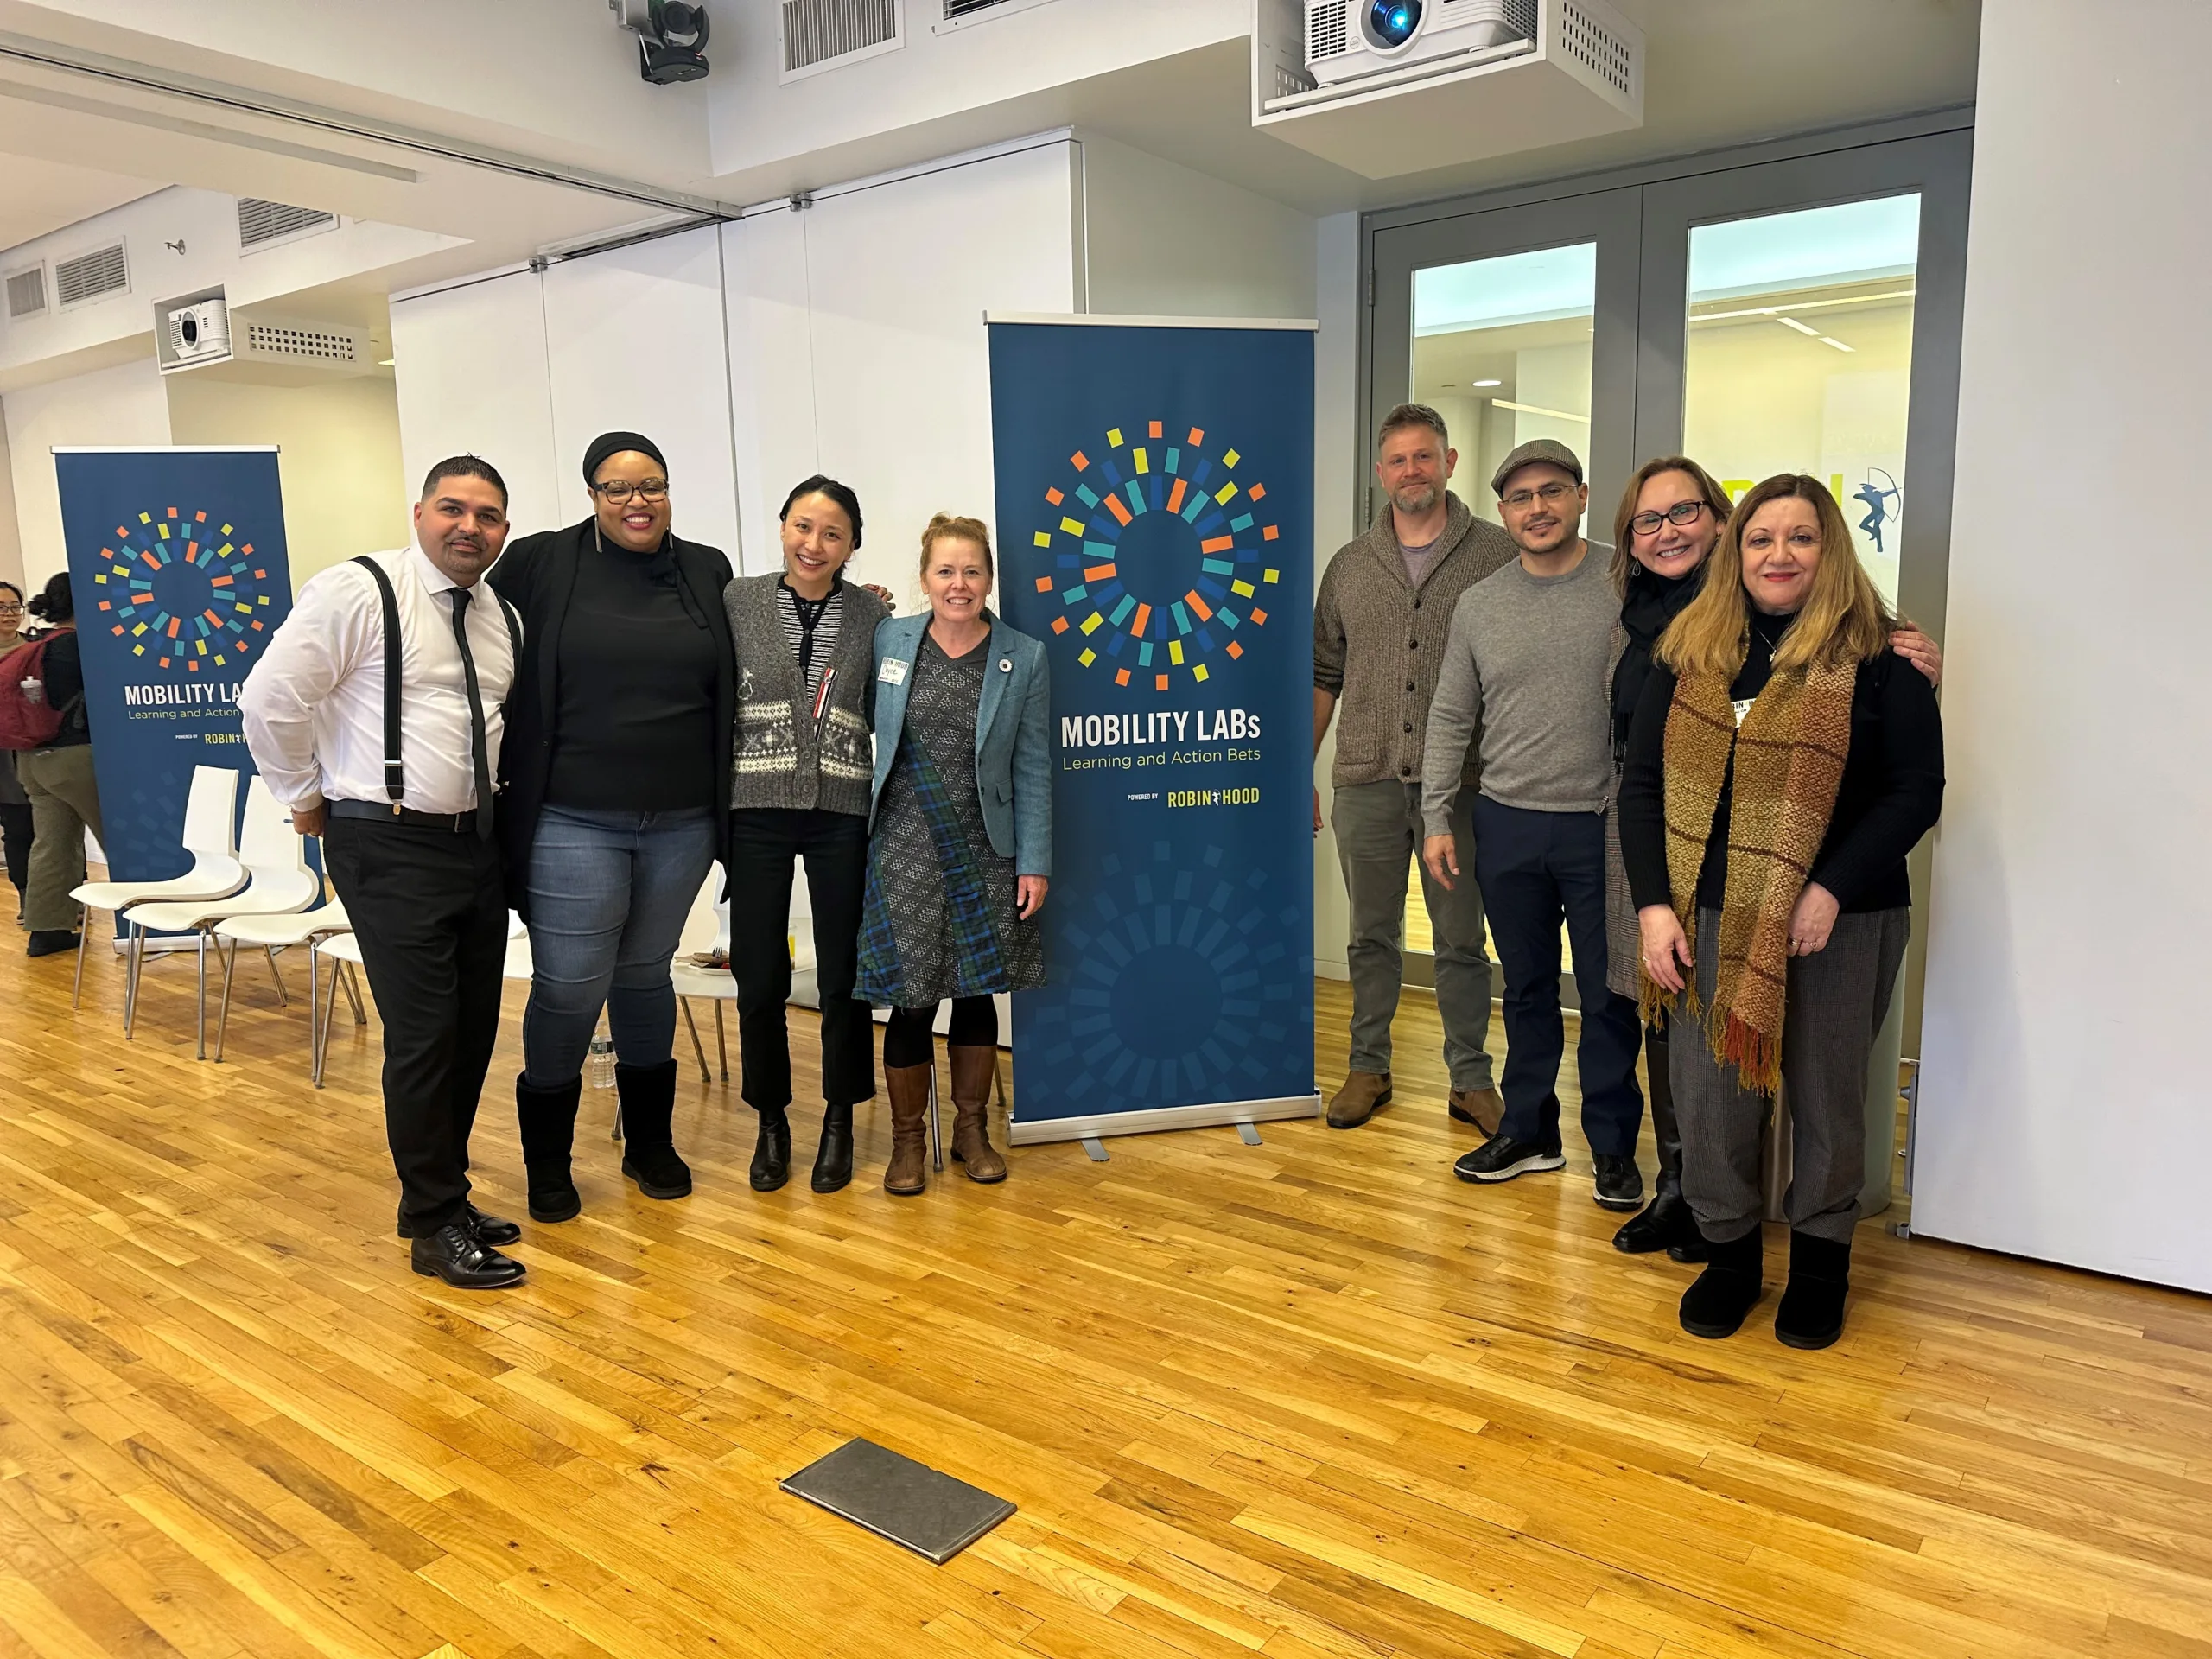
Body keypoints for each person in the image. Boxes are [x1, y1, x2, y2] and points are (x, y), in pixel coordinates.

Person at [1620, 474, 1943, 1350]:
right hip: (1707, 915)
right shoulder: (1694, 650)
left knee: (1827, 1102)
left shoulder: (1880, 655)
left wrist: (1828, 887)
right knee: (1710, 1097)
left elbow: (1916, 792)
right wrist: (1654, 908)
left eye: (1800, 538)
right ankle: (1728, 1259)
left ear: (1828, 549)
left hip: (1841, 918)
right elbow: (1643, 786)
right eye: (1761, 538)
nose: (1778, 555)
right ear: (1736, 549)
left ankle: (1818, 1268)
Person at [238, 458, 526, 1287]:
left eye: (489, 514)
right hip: (386, 841)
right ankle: (434, 1227)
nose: (470, 526)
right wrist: (302, 798)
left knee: (472, 1029)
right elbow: (268, 700)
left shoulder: (499, 615)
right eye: (453, 508)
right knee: (426, 1032)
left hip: (475, 845)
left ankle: (444, 1196)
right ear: (420, 512)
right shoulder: (360, 591)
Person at [489, 431, 734, 1224]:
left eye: (652, 485)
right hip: (570, 815)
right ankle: (548, 1163)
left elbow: (754, 656)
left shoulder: (706, 568)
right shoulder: (539, 563)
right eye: (617, 487)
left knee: (644, 974)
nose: (638, 501)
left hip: (683, 819)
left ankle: (649, 1144)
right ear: (591, 494)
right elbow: (471, 634)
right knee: (569, 986)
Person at [1421, 438, 1643, 1208]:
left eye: (1552, 492)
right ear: (1504, 512)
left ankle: (1613, 1147)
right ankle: (1529, 1130)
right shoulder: (1480, 602)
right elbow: (1451, 713)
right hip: (1507, 822)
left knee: (1612, 996)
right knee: (1523, 987)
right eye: (1520, 497)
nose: (1537, 508)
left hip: (1603, 825)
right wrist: (1436, 812)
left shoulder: (1628, 580)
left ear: (1581, 497)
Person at [1313, 404, 1516, 1133]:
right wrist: (1301, 771)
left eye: (1424, 457)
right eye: (1397, 460)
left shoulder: (1497, 555)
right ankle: (1368, 1068)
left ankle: (1470, 1079)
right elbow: (1323, 671)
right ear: (1380, 473)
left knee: (1462, 940)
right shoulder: (1348, 566)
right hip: (1365, 779)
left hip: (1460, 787)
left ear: (1450, 462)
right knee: (1371, 936)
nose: (1411, 471)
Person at [858, 513, 1049, 1196]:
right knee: (910, 999)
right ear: (924, 578)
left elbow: (1032, 767)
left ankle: (971, 1131)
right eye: (945, 570)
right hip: (903, 842)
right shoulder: (891, 637)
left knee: (975, 990)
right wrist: (866, 601)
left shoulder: (1021, 655)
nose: (959, 584)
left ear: (990, 579)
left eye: (972, 570)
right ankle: (908, 1143)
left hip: (983, 843)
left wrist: (1035, 860)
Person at [722, 476, 888, 1195]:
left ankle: (840, 1120)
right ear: (782, 526)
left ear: (853, 544)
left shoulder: (872, 616)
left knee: (844, 978)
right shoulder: (737, 601)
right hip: (755, 807)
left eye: (831, 533)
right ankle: (771, 1120)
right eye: (802, 527)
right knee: (760, 974)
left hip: (841, 811)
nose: (813, 545)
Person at [15, 575, 103, 959]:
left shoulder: (36, 644)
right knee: (120, 838)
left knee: (51, 845)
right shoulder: (83, 647)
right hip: (76, 757)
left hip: (34, 760)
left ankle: (46, 931)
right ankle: (150, 920)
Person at [0, 582, 35, 925]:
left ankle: (69, 895)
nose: (9, 614)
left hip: (39, 749)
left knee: (57, 827)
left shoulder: (37, 649)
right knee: (18, 827)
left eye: (14, 606)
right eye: (1, 607)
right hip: (3, 758)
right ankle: (28, 899)